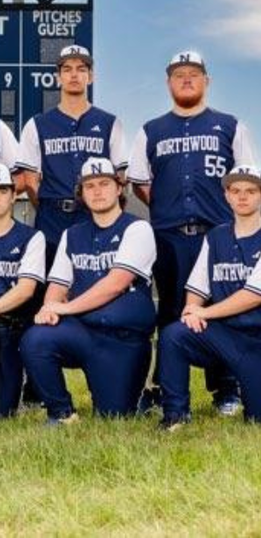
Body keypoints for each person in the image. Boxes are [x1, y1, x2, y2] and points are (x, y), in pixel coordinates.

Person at [129, 50, 256, 416]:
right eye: (179, 74)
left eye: (194, 73)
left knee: (221, 306)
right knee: (170, 308)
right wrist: (170, 207)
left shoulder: (231, 125)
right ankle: (166, 389)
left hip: (217, 232)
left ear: (207, 81)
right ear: (169, 82)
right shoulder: (151, 130)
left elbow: (246, 178)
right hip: (168, 235)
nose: (186, 79)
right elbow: (142, 184)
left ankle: (226, 389)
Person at [20, 158, 157, 424]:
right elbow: (58, 285)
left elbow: (116, 283)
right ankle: (61, 413)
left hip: (122, 340)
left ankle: (142, 398)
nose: (97, 191)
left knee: (114, 417)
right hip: (83, 334)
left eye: (105, 184)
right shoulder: (72, 234)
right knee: (36, 339)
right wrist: (50, 307)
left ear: (119, 189)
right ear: (81, 194)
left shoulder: (138, 228)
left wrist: (64, 308)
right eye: (89, 186)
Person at [155, 165, 261, 429]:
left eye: (250, 191)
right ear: (226, 195)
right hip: (225, 337)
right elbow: (197, 287)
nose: (242, 196)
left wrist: (204, 313)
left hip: (259, 340)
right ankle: (175, 414)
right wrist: (192, 311)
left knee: (259, 419)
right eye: (235, 190)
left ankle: (243, 393)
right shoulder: (216, 236)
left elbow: (253, 295)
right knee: (174, 334)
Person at [15, 45, 130, 255]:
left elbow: (120, 177)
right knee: (50, 284)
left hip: (95, 214)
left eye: (81, 69)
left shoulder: (109, 123)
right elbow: (30, 181)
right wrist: (49, 206)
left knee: (95, 281)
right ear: (58, 77)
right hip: (52, 218)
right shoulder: (37, 124)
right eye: (67, 69)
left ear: (91, 76)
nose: (74, 75)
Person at [0, 170, 47, 418]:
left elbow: (25, 290)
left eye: (2, 190)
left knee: (3, 412)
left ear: (13, 195)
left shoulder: (31, 237)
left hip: (9, 328)